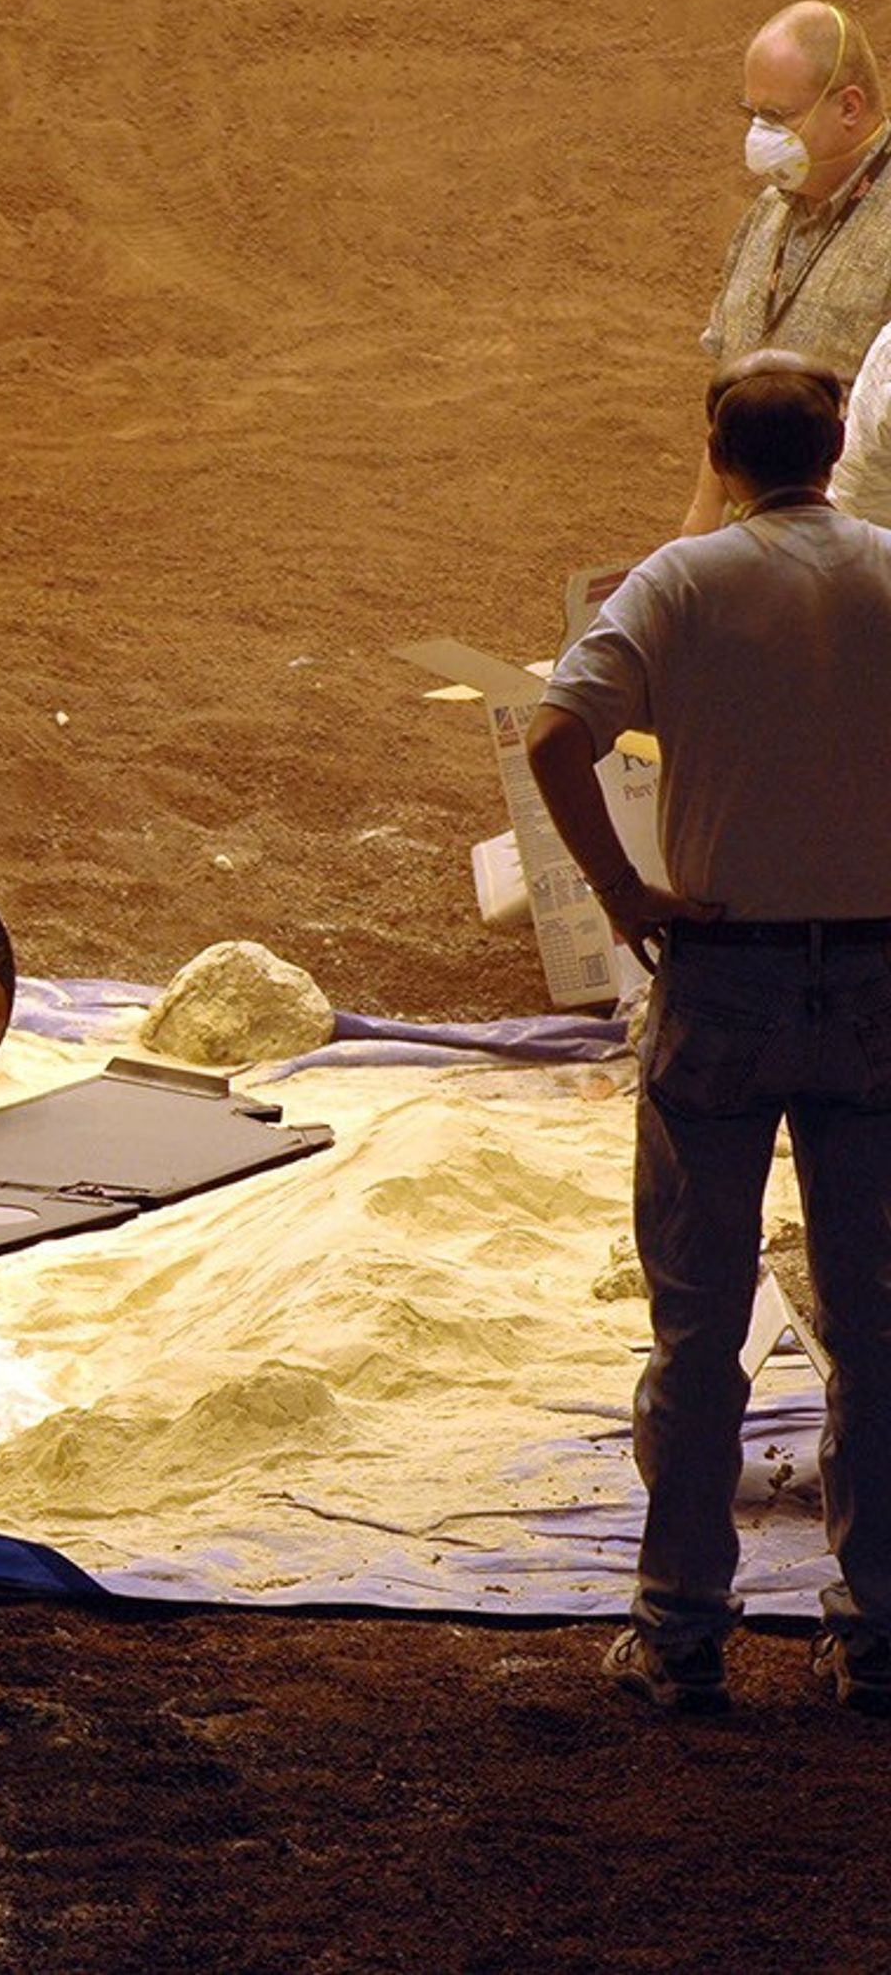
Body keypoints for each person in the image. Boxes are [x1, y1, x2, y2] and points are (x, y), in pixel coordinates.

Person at [529, 349, 891, 1715]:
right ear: (837, 444)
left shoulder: (678, 583)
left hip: (724, 981)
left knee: (694, 1326)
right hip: (876, 984)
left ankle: (680, 1631)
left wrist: (622, 893)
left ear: (720, 457)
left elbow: (556, 736)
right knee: (877, 1320)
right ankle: (879, 1632)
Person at [681, 0, 891, 534]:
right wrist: (698, 534)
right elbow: (731, 395)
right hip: (756, 550)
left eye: (777, 117)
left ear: (849, 107)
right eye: (752, 113)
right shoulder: (767, 213)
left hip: (860, 557)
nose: (758, 134)